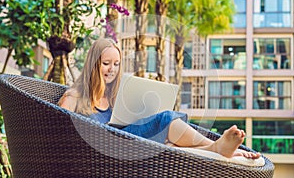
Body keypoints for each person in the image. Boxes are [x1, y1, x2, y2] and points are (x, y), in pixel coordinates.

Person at [58, 38, 261, 159]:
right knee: (166, 119)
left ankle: (216, 149)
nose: (112, 69)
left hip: (128, 144)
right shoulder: (74, 97)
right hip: (105, 149)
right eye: (106, 63)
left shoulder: (114, 97)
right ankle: (217, 148)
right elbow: (57, 134)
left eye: (117, 64)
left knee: (169, 144)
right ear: (94, 63)